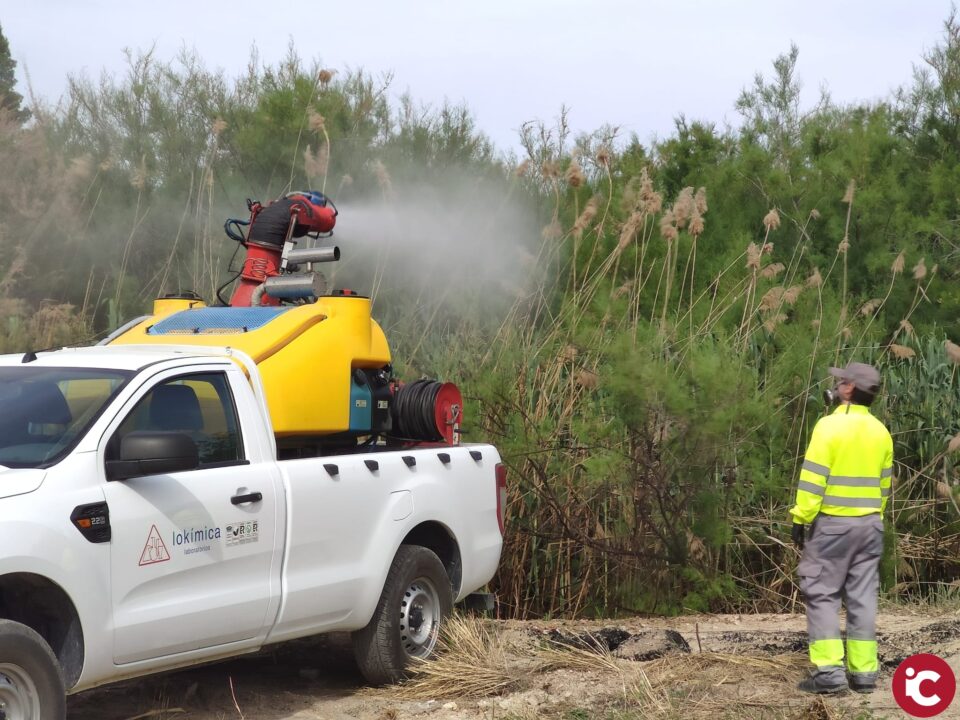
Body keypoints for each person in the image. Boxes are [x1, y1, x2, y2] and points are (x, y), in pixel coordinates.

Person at [790, 361, 893, 694]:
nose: (835, 385)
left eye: (841, 381)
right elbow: (884, 487)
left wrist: (801, 517)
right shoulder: (882, 432)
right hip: (871, 525)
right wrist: (873, 517)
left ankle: (830, 676)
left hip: (834, 526)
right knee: (862, 598)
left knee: (821, 593)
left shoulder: (829, 427)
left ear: (849, 389)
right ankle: (864, 675)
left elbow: (813, 479)